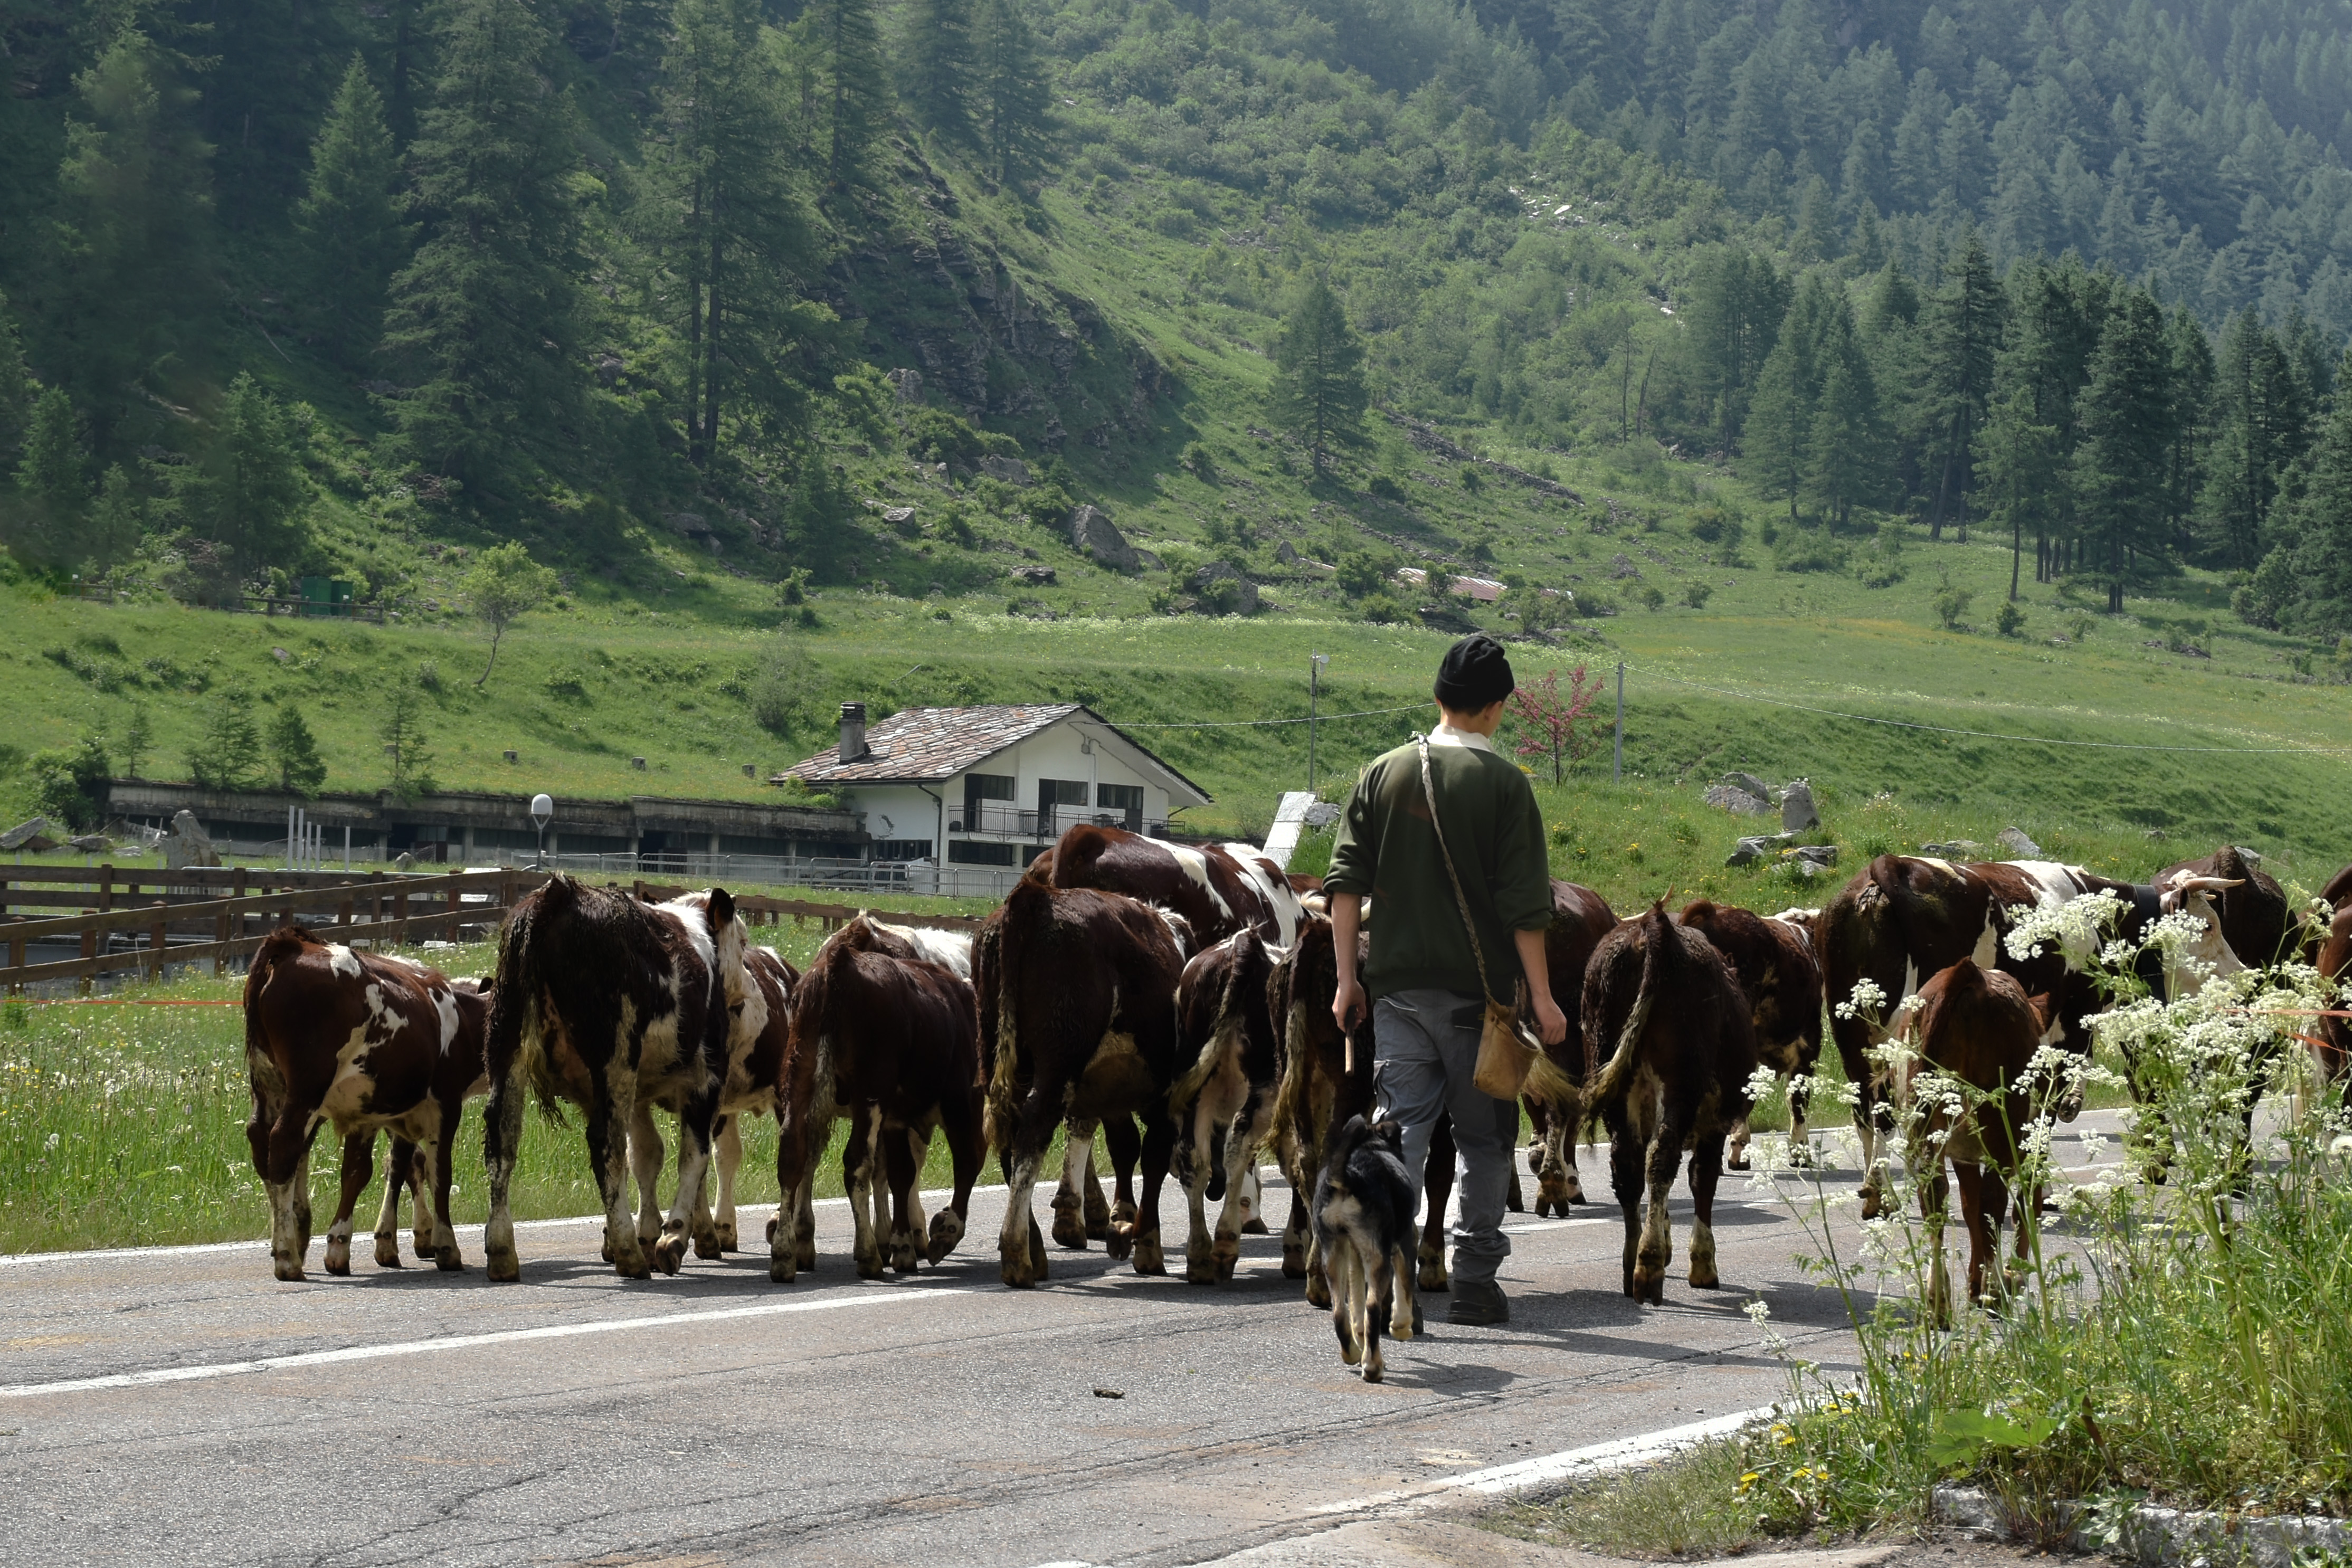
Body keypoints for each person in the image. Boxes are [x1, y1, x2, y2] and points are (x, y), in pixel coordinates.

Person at [1321, 634, 1566, 1326]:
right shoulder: (1506, 787)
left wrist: (1346, 981)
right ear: (1495, 709)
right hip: (1478, 1004)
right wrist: (1544, 1000)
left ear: (1437, 699)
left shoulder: (1383, 772)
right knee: (1485, 1140)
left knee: (1401, 1138)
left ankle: (1387, 1273)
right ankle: (1475, 1282)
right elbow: (1525, 910)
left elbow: (1344, 888)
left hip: (1395, 996)